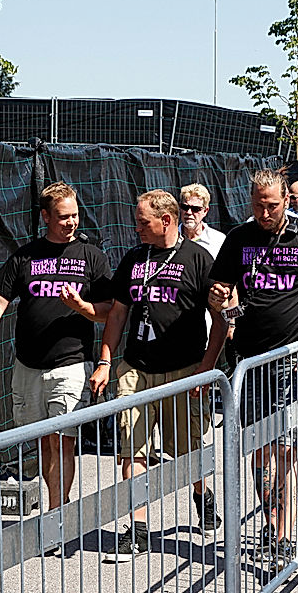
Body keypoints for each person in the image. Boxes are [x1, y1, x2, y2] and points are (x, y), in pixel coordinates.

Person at [208, 169, 298, 568]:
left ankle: (284, 534)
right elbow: (221, 300)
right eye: (258, 205)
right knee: (259, 449)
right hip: (250, 361)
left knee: (287, 449)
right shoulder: (239, 239)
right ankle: (270, 523)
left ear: (286, 199)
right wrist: (218, 300)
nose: (265, 213)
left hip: (294, 361)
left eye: (272, 205)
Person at [90, 190, 227, 561]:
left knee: (187, 451)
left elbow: (220, 321)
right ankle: (136, 529)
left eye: (142, 222)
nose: (136, 229)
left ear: (166, 221)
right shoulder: (135, 258)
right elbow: (118, 312)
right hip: (135, 368)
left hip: (182, 371)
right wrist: (106, 361)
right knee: (131, 448)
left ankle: (202, 493)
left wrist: (206, 368)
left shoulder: (198, 259)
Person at [0, 181, 111, 514]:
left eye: (75, 216)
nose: (71, 223)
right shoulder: (25, 255)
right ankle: (57, 504)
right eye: (63, 217)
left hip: (71, 365)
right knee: (42, 442)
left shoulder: (91, 256)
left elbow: (109, 310)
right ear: (45, 216)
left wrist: (81, 307)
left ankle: (55, 516)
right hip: (28, 366)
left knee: (63, 440)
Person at [179, 183, 226, 259]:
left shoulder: (218, 241)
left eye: (195, 209)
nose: (189, 212)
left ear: (205, 211)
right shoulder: (170, 239)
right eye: (185, 207)